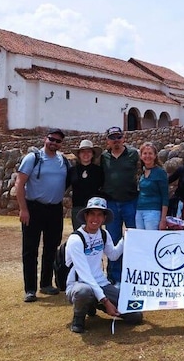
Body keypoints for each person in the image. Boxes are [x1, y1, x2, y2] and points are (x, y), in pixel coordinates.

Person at [65, 196, 143, 333]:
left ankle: (94, 303)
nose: (95, 219)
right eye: (92, 214)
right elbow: (85, 274)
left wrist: (126, 238)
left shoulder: (103, 234)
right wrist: (106, 301)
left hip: (101, 283)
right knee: (84, 291)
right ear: (86, 215)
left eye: (100, 214)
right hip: (79, 284)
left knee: (135, 316)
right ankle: (79, 317)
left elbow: (113, 255)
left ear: (104, 218)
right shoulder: (75, 239)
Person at [15, 128, 70, 302]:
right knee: (30, 250)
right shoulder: (33, 158)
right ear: (45, 139)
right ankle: (30, 289)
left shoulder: (63, 161)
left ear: (61, 144)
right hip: (34, 208)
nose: (54, 143)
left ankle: (46, 283)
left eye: (58, 141)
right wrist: (23, 209)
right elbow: (19, 183)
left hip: (54, 209)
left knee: (51, 249)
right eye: (51, 139)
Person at [100, 126, 140, 283]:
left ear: (124, 138)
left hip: (131, 202)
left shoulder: (133, 154)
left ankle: (134, 274)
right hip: (111, 204)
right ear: (107, 141)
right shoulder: (104, 157)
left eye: (118, 137)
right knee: (113, 241)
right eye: (112, 138)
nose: (116, 141)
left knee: (133, 238)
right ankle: (114, 277)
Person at [69, 139, 104, 230]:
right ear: (79, 154)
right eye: (83, 152)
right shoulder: (72, 171)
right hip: (78, 207)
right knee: (80, 236)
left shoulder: (99, 170)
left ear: (92, 154)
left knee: (95, 236)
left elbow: (103, 187)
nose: (86, 154)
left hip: (94, 208)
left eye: (88, 152)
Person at [136, 141, 169, 230]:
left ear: (155, 156)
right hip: (139, 210)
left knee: (151, 240)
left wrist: (163, 219)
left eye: (150, 153)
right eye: (145, 153)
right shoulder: (141, 173)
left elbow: (165, 196)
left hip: (153, 212)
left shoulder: (160, 172)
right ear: (141, 156)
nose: (147, 156)